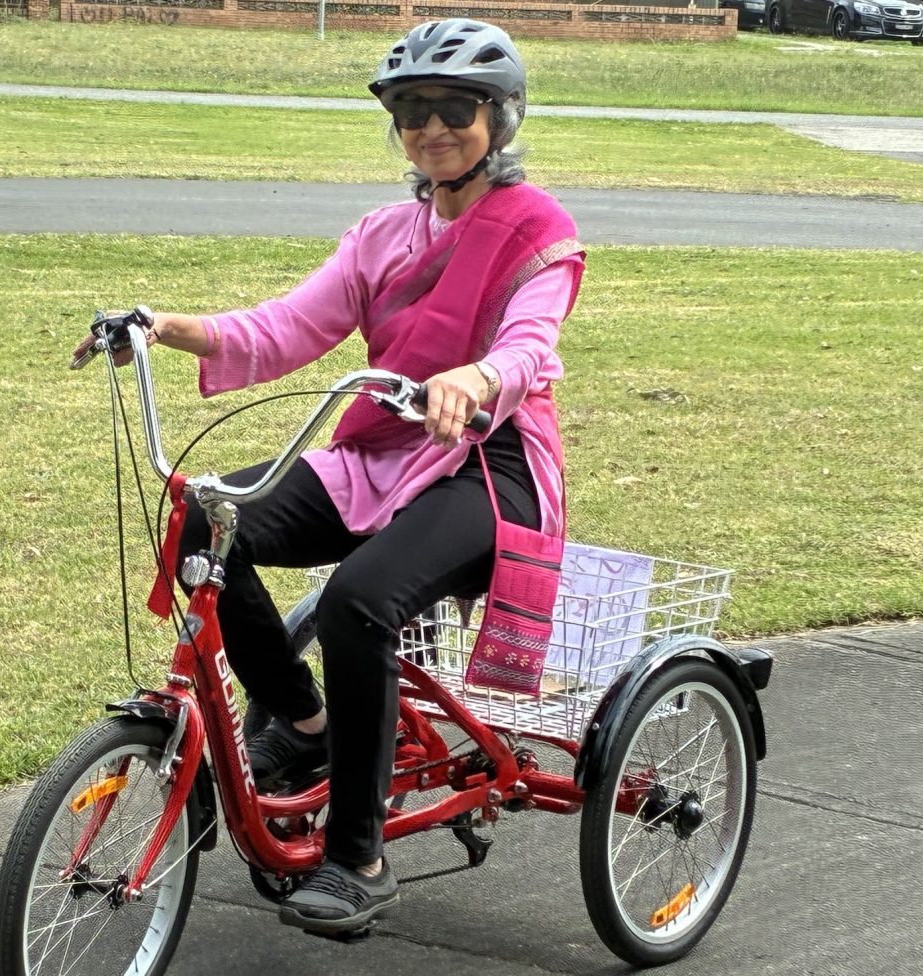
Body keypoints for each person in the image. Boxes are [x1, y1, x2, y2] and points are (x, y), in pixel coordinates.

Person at [71, 17, 585, 935]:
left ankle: (360, 855)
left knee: (357, 600)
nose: (432, 128)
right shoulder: (384, 235)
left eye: (455, 108)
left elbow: (529, 348)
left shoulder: (538, 228)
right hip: (386, 451)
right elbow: (283, 328)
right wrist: (158, 325)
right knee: (204, 522)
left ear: (499, 118)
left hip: (490, 466)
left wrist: (476, 378)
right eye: (412, 111)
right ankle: (307, 728)